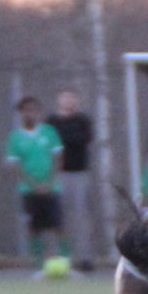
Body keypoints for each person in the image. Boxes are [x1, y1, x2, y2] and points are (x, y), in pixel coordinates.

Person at [7, 95, 68, 275]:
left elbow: (58, 157)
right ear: (20, 113)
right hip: (29, 190)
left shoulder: (49, 132)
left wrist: (49, 182)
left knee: (58, 225)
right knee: (34, 227)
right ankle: (38, 265)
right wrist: (34, 185)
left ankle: (65, 261)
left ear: (38, 112)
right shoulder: (16, 137)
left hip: (52, 188)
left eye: (33, 110)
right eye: (26, 110)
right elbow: (15, 165)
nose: (30, 114)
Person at [50, 89, 99, 270]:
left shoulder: (82, 121)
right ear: (59, 100)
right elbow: (50, 143)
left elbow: (83, 139)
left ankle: (85, 258)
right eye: (65, 98)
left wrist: (64, 139)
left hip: (79, 173)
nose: (68, 101)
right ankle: (60, 257)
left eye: (72, 98)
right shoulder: (51, 121)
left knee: (81, 216)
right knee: (58, 217)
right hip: (57, 174)